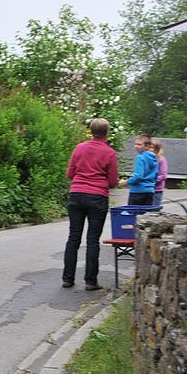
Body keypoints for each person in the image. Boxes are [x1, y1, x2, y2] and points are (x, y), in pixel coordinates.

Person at [62, 118, 119, 291]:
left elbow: (70, 173)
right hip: (97, 197)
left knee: (73, 237)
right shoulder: (109, 153)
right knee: (92, 240)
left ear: (90, 131)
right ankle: (90, 281)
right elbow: (112, 181)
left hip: (76, 194)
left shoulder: (79, 148)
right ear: (106, 133)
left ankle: (67, 278)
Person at [119, 133, 157, 205]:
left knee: (133, 214)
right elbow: (156, 174)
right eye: (135, 144)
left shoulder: (140, 157)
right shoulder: (154, 158)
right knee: (146, 215)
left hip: (137, 191)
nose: (136, 146)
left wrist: (126, 182)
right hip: (150, 191)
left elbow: (138, 176)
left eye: (139, 145)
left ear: (147, 146)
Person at [150, 138, 168, 207]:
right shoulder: (146, 159)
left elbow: (163, 175)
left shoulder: (161, 160)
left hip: (157, 190)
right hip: (147, 190)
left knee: (154, 210)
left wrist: (151, 180)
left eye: (152, 147)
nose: (150, 149)